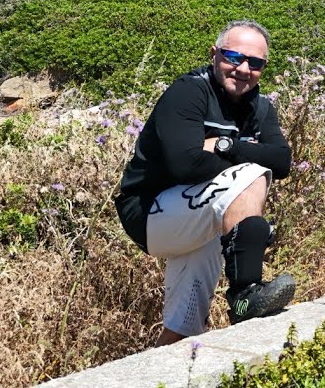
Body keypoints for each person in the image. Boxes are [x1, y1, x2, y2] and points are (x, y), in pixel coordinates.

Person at [114, 20, 295, 346]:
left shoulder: (261, 107)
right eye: (233, 57)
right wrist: (251, 156)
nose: (243, 69)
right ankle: (245, 293)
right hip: (149, 211)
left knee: (184, 327)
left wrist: (225, 145)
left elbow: (283, 161)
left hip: (200, 213)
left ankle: (162, 375)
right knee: (251, 174)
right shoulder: (189, 92)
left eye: (255, 63)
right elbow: (185, 164)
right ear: (214, 54)